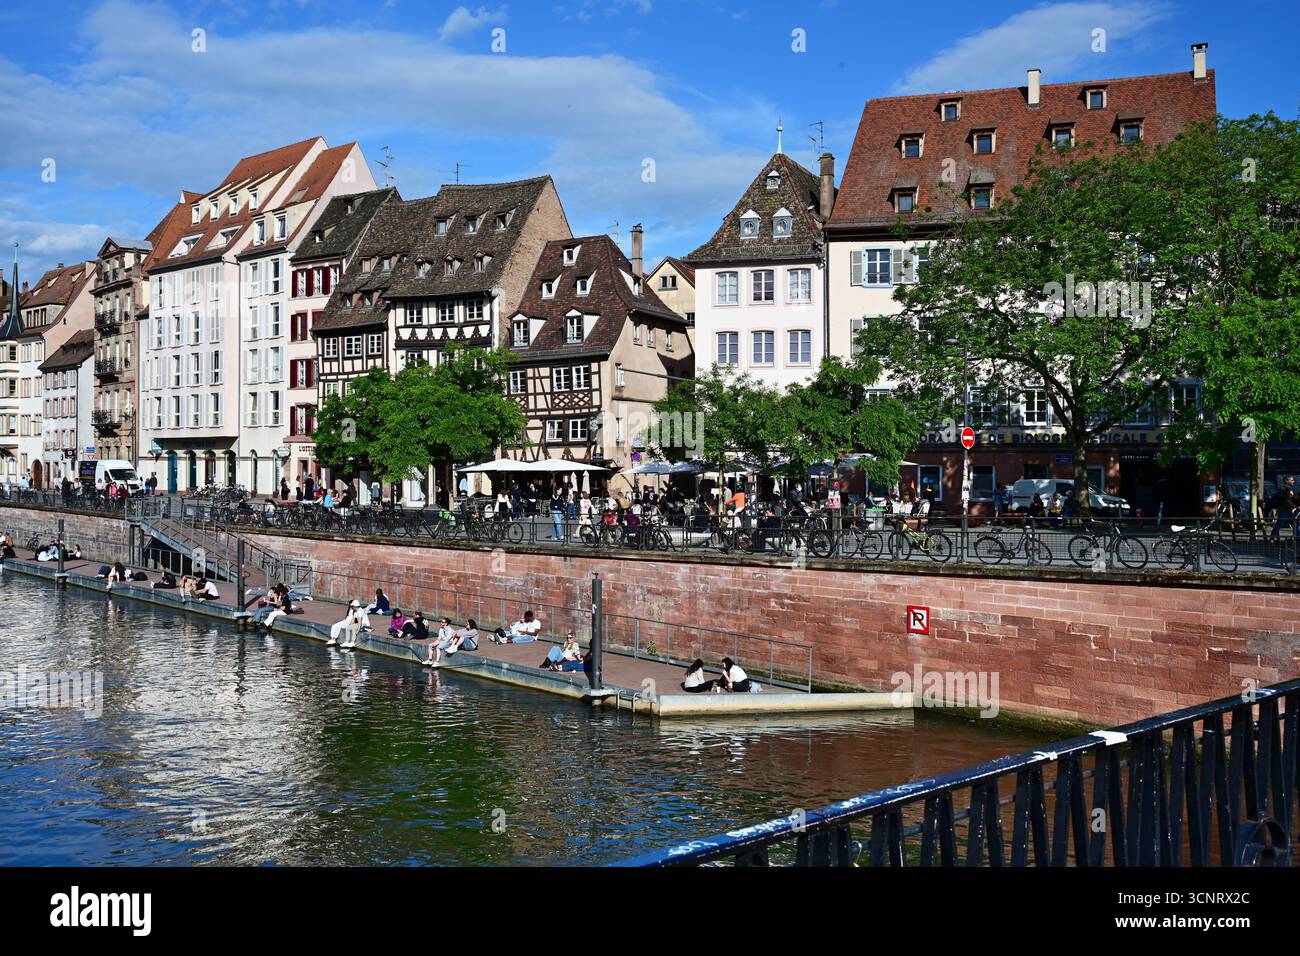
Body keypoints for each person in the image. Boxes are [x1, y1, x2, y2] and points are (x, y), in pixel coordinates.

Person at [1268, 476, 1297, 545]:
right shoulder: (1282, 489)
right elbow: (1286, 500)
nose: (1293, 481)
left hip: (1289, 510)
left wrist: (1293, 496)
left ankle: (1296, 538)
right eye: (1291, 480)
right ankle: (1272, 538)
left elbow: (1291, 499)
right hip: (1283, 510)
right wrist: (1295, 506)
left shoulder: (1289, 489)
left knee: (1295, 523)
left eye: (1293, 480)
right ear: (1286, 481)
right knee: (1280, 524)